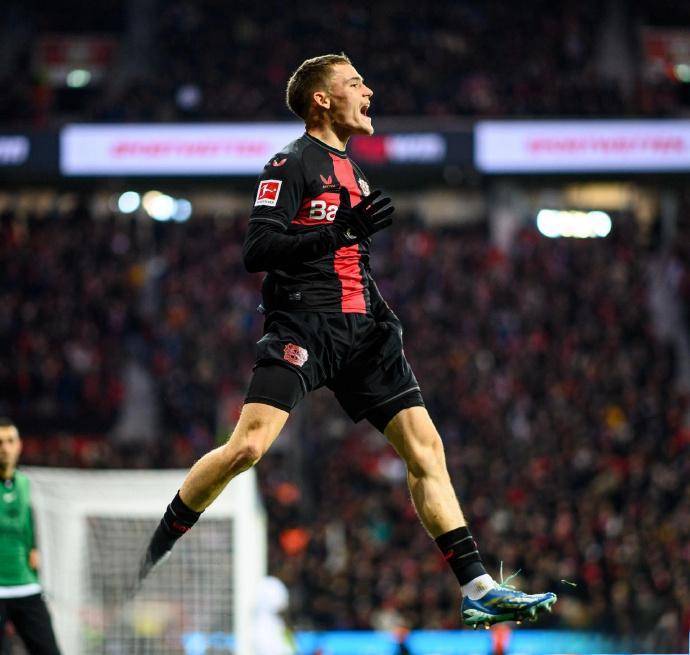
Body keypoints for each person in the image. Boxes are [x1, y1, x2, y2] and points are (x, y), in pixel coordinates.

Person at [140, 53, 557, 628]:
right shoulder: (290, 163)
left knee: (427, 450)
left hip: (366, 333)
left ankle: (477, 586)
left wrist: (378, 308)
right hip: (305, 324)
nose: (368, 91)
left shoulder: (356, 173)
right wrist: (338, 232)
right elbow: (257, 250)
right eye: (355, 83)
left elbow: (351, 259)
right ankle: (156, 545)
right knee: (248, 448)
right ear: (322, 99)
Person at [0, 419, 61, 655]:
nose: (5, 448)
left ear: (19, 446)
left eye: (10, 441)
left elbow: (27, 528)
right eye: (0, 442)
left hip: (25, 585)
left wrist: (33, 549)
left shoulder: (24, 484)